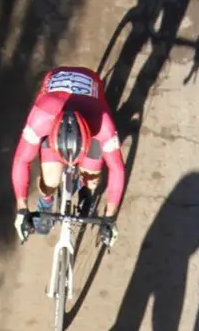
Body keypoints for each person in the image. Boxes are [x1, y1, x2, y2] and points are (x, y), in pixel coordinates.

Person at [11, 65, 125, 246]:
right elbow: (21, 159)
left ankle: (86, 191)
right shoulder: (41, 117)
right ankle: (46, 200)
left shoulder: (103, 125)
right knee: (50, 179)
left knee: (92, 178)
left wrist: (110, 216)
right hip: (55, 113)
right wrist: (21, 208)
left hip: (89, 119)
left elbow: (117, 169)